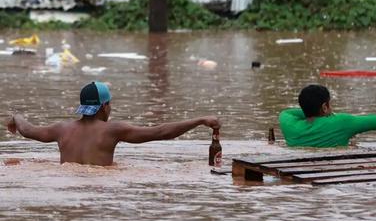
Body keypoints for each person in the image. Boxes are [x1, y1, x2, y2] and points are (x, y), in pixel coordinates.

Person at [6, 81, 220, 166]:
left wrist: (16, 117)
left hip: (66, 181)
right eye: (109, 105)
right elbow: (161, 132)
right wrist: (200, 120)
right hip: (100, 187)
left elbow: (27, 130)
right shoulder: (112, 130)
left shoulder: (62, 129)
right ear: (103, 107)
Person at [279, 84, 376, 147]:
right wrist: (332, 115)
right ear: (324, 107)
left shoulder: (290, 125)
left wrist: (308, 110)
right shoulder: (341, 122)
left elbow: (286, 112)